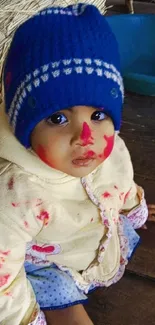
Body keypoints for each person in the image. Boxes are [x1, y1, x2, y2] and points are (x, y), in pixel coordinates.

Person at [0, 4, 154, 325]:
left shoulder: (111, 147)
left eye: (98, 114)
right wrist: (22, 317)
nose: (85, 137)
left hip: (91, 238)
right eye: (58, 118)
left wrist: (131, 204)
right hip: (41, 260)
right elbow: (3, 275)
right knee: (61, 299)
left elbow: (119, 179)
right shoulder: (16, 193)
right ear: (26, 126)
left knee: (122, 229)